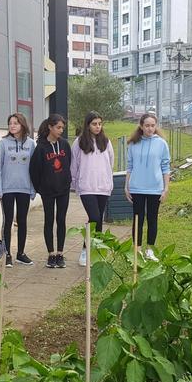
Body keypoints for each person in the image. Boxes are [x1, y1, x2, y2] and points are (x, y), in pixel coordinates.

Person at [125, 113, 170, 262]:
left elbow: (165, 167)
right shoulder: (133, 144)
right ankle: (136, 250)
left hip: (155, 188)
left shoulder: (161, 143)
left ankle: (150, 250)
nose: (150, 128)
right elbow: (129, 167)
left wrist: (166, 188)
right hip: (137, 188)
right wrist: (127, 186)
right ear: (141, 126)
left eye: (152, 125)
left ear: (156, 126)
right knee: (138, 219)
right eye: (147, 125)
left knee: (152, 219)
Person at [71, 111, 114, 267]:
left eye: (99, 124)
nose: (97, 127)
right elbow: (74, 165)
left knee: (98, 220)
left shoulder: (106, 142)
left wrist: (109, 182)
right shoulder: (79, 142)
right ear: (88, 125)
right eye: (94, 124)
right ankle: (85, 250)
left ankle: (96, 252)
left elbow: (111, 162)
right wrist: (75, 184)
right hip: (87, 187)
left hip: (102, 186)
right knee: (94, 217)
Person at [29, 114, 72, 269]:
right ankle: (51, 254)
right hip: (48, 191)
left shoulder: (65, 145)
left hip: (63, 190)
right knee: (49, 221)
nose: (61, 130)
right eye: (58, 127)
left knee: (61, 220)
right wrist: (40, 188)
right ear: (50, 127)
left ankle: (60, 254)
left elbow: (69, 164)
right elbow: (34, 170)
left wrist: (67, 181)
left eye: (62, 128)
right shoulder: (41, 147)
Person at [0, 113, 37, 267]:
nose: (12, 126)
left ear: (23, 125)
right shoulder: (3, 143)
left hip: (24, 188)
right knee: (8, 221)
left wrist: (33, 189)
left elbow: (34, 169)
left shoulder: (31, 144)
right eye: (10, 123)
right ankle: (7, 254)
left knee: (22, 221)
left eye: (16, 123)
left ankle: (21, 253)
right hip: (7, 188)